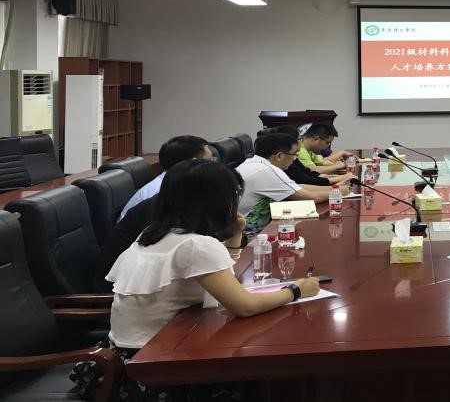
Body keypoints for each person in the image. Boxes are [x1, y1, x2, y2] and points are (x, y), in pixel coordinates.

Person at [72, 160, 320, 400]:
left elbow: (224, 280)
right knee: (275, 374)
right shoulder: (195, 245)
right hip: (156, 372)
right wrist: (296, 289)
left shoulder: (153, 232)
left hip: (116, 364)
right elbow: (244, 306)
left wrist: (235, 237)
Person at [237, 133, 346, 235]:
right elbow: (311, 197)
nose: (294, 159)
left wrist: (334, 188)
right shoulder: (267, 171)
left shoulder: (254, 163)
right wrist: (340, 192)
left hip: (251, 230)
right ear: (279, 156)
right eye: (294, 154)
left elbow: (297, 188)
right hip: (249, 237)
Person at [117, 135, 211, 220]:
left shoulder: (181, 184)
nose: (212, 166)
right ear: (192, 163)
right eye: (209, 162)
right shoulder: (161, 192)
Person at [273, 125, 356, 187]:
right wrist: (339, 179)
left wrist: (338, 176)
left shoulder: (305, 152)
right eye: (299, 139)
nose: (300, 142)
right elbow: (306, 179)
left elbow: (310, 173)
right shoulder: (300, 152)